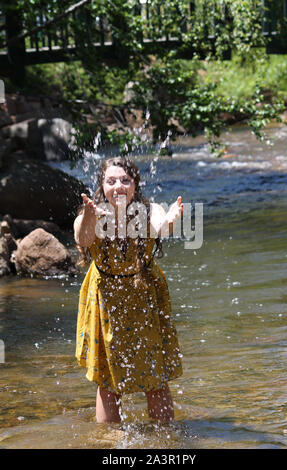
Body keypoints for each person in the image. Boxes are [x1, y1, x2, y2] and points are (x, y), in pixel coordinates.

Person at [74, 156, 183, 424]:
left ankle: (164, 439)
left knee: (154, 373)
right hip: (104, 295)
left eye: (125, 180)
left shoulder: (150, 209)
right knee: (107, 379)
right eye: (111, 181)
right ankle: (109, 443)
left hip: (144, 291)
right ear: (102, 186)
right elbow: (83, 239)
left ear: (135, 185)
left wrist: (171, 219)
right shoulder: (90, 214)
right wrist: (89, 215)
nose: (118, 186)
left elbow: (161, 228)